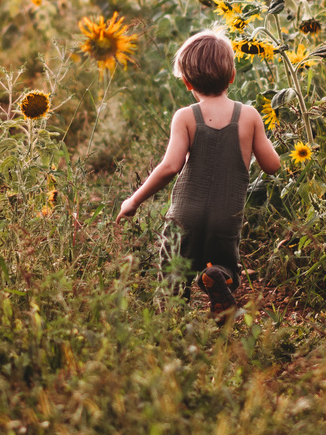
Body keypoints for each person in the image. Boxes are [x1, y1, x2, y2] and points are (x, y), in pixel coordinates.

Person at [117, 29, 281, 316]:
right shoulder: (250, 116)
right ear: (231, 76)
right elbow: (273, 166)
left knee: (173, 272)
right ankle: (217, 276)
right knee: (225, 264)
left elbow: (170, 167)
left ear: (187, 82)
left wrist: (134, 201)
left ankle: (171, 322)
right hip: (226, 216)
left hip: (186, 216)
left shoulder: (185, 117)